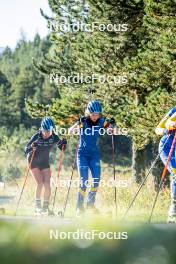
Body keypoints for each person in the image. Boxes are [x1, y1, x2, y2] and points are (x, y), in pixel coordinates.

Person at [69, 100, 116, 217]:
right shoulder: (83, 121)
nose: (95, 116)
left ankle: (90, 205)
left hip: (94, 154)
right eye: (93, 114)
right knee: (84, 181)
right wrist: (77, 124)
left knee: (96, 180)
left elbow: (112, 131)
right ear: (88, 113)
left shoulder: (101, 121)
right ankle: (79, 208)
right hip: (82, 154)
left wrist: (112, 125)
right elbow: (70, 132)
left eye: (97, 114)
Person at [25, 117, 67, 215]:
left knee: (47, 183)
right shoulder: (36, 136)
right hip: (33, 160)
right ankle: (37, 207)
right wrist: (32, 147)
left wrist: (64, 144)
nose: (48, 133)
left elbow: (62, 147)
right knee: (40, 183)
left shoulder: (54, 136)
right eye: (46, 131)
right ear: (42, 129)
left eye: (50, 131)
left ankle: (45, 207)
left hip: (44, 160)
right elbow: (26, 149)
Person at [155, 107, 176, 221]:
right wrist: (167, 129)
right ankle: (174, 205)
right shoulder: (174, 111)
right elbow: (158, 129)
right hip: (167, 146)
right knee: (175, 172)